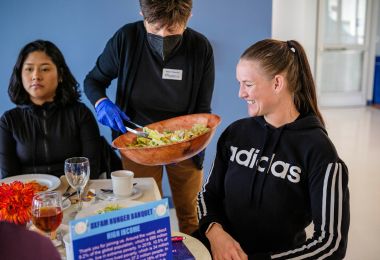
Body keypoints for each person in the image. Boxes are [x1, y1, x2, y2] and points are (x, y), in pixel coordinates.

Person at [196, 39, 350, 259]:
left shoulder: (319, 151)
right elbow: (207, 195)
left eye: (248, 84)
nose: (240, 93)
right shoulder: (235, 133)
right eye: (239, 83)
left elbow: (331, 244)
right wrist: (215, 234)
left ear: (277, 83)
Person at [84, 0, 215, 235]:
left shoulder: (200, 48)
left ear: (189, 18)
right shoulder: (126, 39)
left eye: (173, 29)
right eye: (154, 28)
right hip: (138, 141)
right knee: (143, 213)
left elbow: (203, 109)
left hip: (185, 144)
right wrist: (102, 103)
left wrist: (190, 147)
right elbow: (93, 81)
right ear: (142, 15)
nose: (163, 35)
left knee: (190, 214)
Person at [0, 40, 106, 179]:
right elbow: (9, 179)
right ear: (20, 74)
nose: (36, 76)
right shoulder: (9, 121)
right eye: (29, 69)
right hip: (30, 197)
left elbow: (91, 169)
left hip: (74, 193)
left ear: (60, 75)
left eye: (45, 69)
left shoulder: (80, 113)